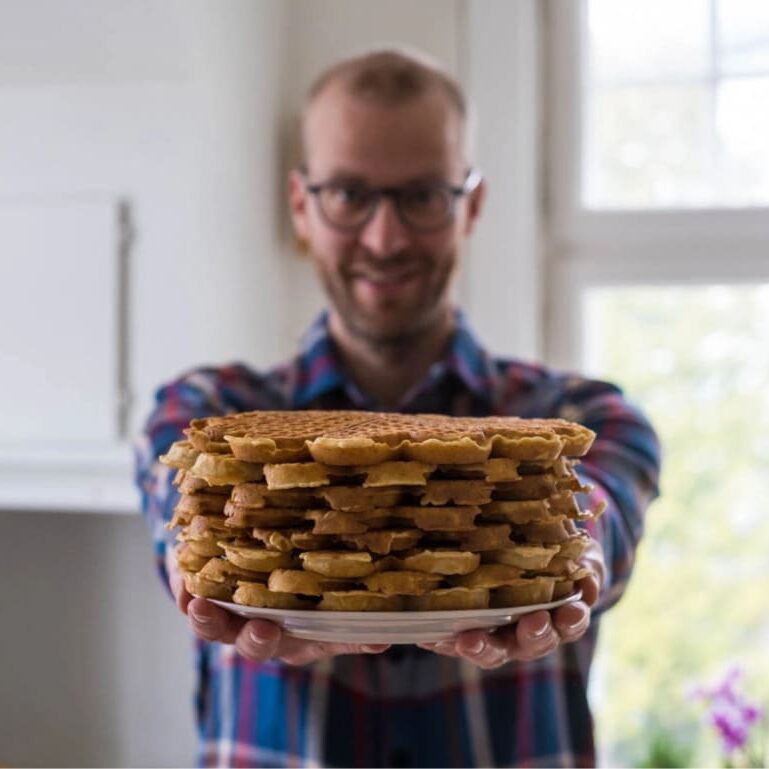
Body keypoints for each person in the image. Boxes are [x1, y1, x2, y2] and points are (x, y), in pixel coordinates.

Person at [136, 47, 660, 768]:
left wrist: (581, 549)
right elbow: (181, 518)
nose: (384, 239)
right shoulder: (206, 408)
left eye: (421, 196)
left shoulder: (584, 413)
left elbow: (601, 508)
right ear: (301, 206)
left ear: (469, 204)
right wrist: (200, 577)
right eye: (349, 195)